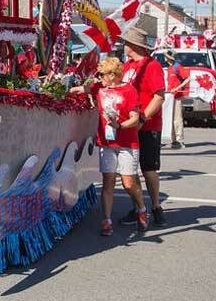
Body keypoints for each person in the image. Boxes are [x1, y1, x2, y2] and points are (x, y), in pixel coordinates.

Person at [70, 57, 146, 235]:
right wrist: (65, 89)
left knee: (128, 183)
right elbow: (80, 89)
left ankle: (141, 209)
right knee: (108, 181)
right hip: (106, 142)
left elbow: (135, 118)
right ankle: (107, 220)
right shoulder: (99, 88)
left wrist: (120, 126)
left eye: (102, 74)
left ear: (113, 75)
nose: (100, 77)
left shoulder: (129, 90)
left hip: (127, 142)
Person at [118, 26, 167, 228]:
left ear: (134, 45)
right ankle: (138, 207)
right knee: (130, 170)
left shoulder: (152, 65)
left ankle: (156, 207)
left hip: (148, 126)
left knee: (148, 170)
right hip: (130, 126)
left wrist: (143, 119)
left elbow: (159, 96)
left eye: (126, 42)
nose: (123, 45)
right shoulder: (127, 66)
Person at [163, 50, 190, 150]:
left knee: (177, 118)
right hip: (170, 96)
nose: (164, 58)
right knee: (170, 118)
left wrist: (178, 87)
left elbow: (187, 78)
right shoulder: (169, 68)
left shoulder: (177, 66)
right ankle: (173, 140)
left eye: (166, 56)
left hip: (177, 96)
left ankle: (180, 140)